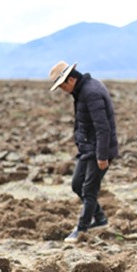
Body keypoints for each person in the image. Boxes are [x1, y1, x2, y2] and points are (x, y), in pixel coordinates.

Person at [49, 61, 119, 242]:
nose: (62, 90)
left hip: (99, 149)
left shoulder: (91, 92)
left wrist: (102, 155)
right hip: (88, 147)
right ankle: (100, 218)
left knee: (89, 189)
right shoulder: (81, 91)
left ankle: (81, 229)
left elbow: (103, 127)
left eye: (62, 85)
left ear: (71, 79)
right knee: (77, 184)